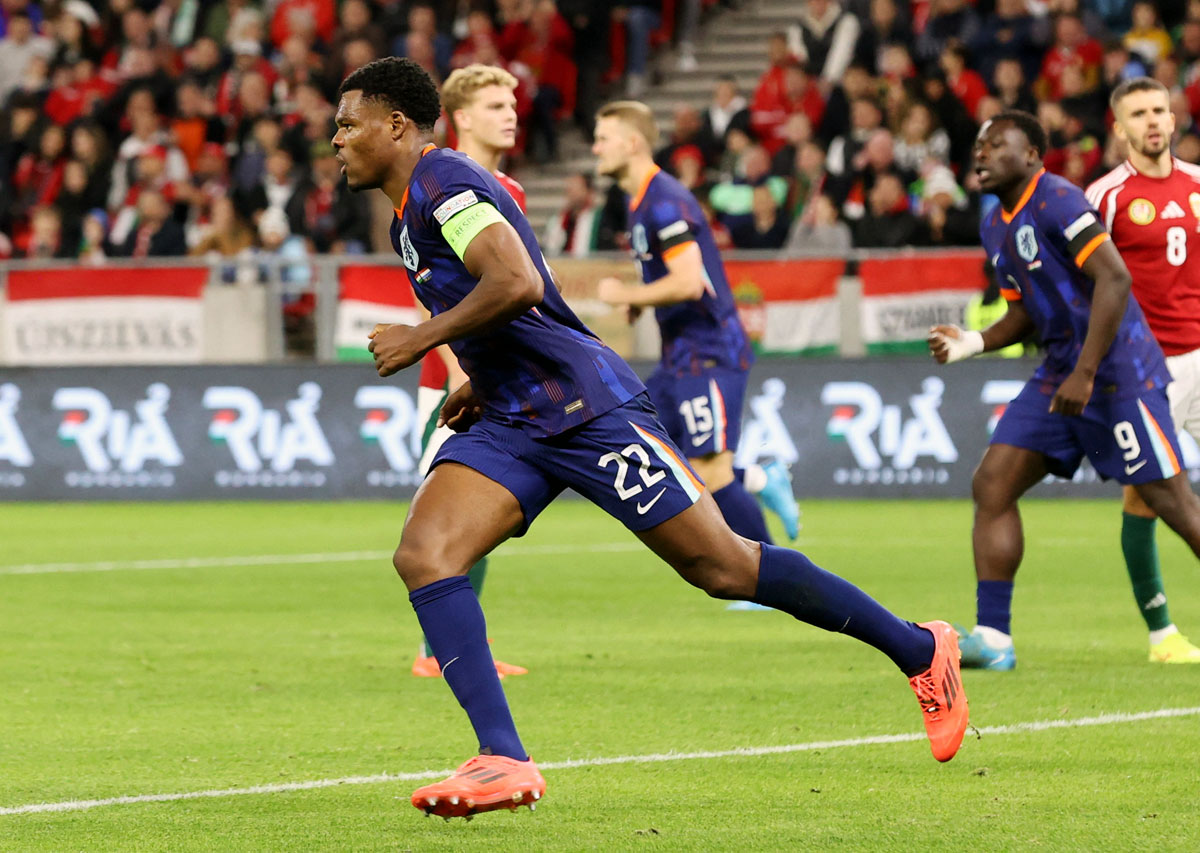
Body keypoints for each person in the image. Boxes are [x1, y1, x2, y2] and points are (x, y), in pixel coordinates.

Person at [334, 56, 968, 818]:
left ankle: (921, 649)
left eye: (348, 124)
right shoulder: (417, 200)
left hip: (585, 409)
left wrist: (422, 337)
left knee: (725, 567)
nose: (336, 139)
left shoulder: (446, 185)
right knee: (425, 553)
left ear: (396, 125)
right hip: (512, 411)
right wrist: (476, 373)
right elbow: (528, 297)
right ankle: (502, 756)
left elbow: (519, 283)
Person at [928, 110, 1200, 671]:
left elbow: (1114, 277)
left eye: (996, 144)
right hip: (1060, 371)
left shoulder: (1058, 199)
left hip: (1119, 372)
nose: (981, 152)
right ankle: (994, 638)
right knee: (993, 483)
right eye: (979, 144)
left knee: (1174, 504)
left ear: (1032, 155)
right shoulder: (994, 223)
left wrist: (1087, 371)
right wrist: (974, 342)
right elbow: (1023, 312)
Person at [592, 101, 801, 543]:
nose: (595, 148)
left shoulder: (665, 201)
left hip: (709, 351)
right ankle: (762, 481)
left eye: (603, 138)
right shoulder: (639, 203)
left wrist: (625, 294)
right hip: (679, 357)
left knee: (712, 470)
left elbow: (688, 283)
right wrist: (642, 303)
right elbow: (677, 277)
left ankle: (766, 574)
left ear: (632, 143)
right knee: (663, 454)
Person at [408, 62, 529, 681]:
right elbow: (432, 294)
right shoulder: (442, 181)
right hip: (456, 381)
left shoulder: (509, 188)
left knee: (485, 515)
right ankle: (438, 652)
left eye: (511, 104)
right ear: (460, 116)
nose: (509, 114)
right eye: (494, 105)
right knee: (457, 514)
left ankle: (455, 646)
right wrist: (462, 373)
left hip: (491, 378)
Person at [1084, 78, 1200, 663]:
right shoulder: (1103, 196)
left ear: (1174, 119)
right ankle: (1162, 635)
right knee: (1144, 496)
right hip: (1147, 369)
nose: (1153, 121)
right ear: (1119, 128)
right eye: (1139, 113)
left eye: (1159, 110)